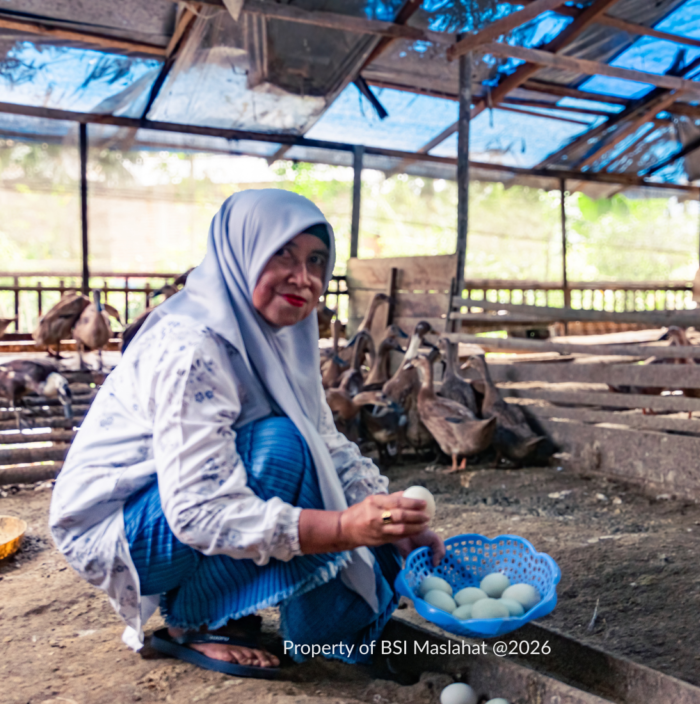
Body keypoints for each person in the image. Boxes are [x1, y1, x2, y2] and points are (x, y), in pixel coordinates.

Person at [49, 189, 445, 678]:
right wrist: (343, 527)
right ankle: (196, 621)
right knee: (282, 449)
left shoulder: (284, 336)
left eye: (316, 260)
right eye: (283, 254)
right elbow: (198, 511)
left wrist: (391, 517)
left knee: (305, 455)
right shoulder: (192, 347)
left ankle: (233, 604)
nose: (304, 278)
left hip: (172, 503)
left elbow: (326, 441)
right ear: (242, 253)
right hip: (118, 531)